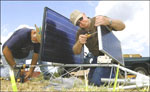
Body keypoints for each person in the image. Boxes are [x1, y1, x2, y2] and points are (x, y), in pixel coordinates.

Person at [70, 10, 125, 86]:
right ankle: (114, 77)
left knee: (96, 83)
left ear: (84, 14)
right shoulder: (80, 32)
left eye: (81, 19)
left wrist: (109, 21)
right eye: (78, 23)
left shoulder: (99, 20)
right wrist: (79, 42)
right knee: (90, 83)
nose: (81, 23)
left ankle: (116, 77)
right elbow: (76, 51)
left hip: (108, 56)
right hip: (96, 58)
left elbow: (122, 26)